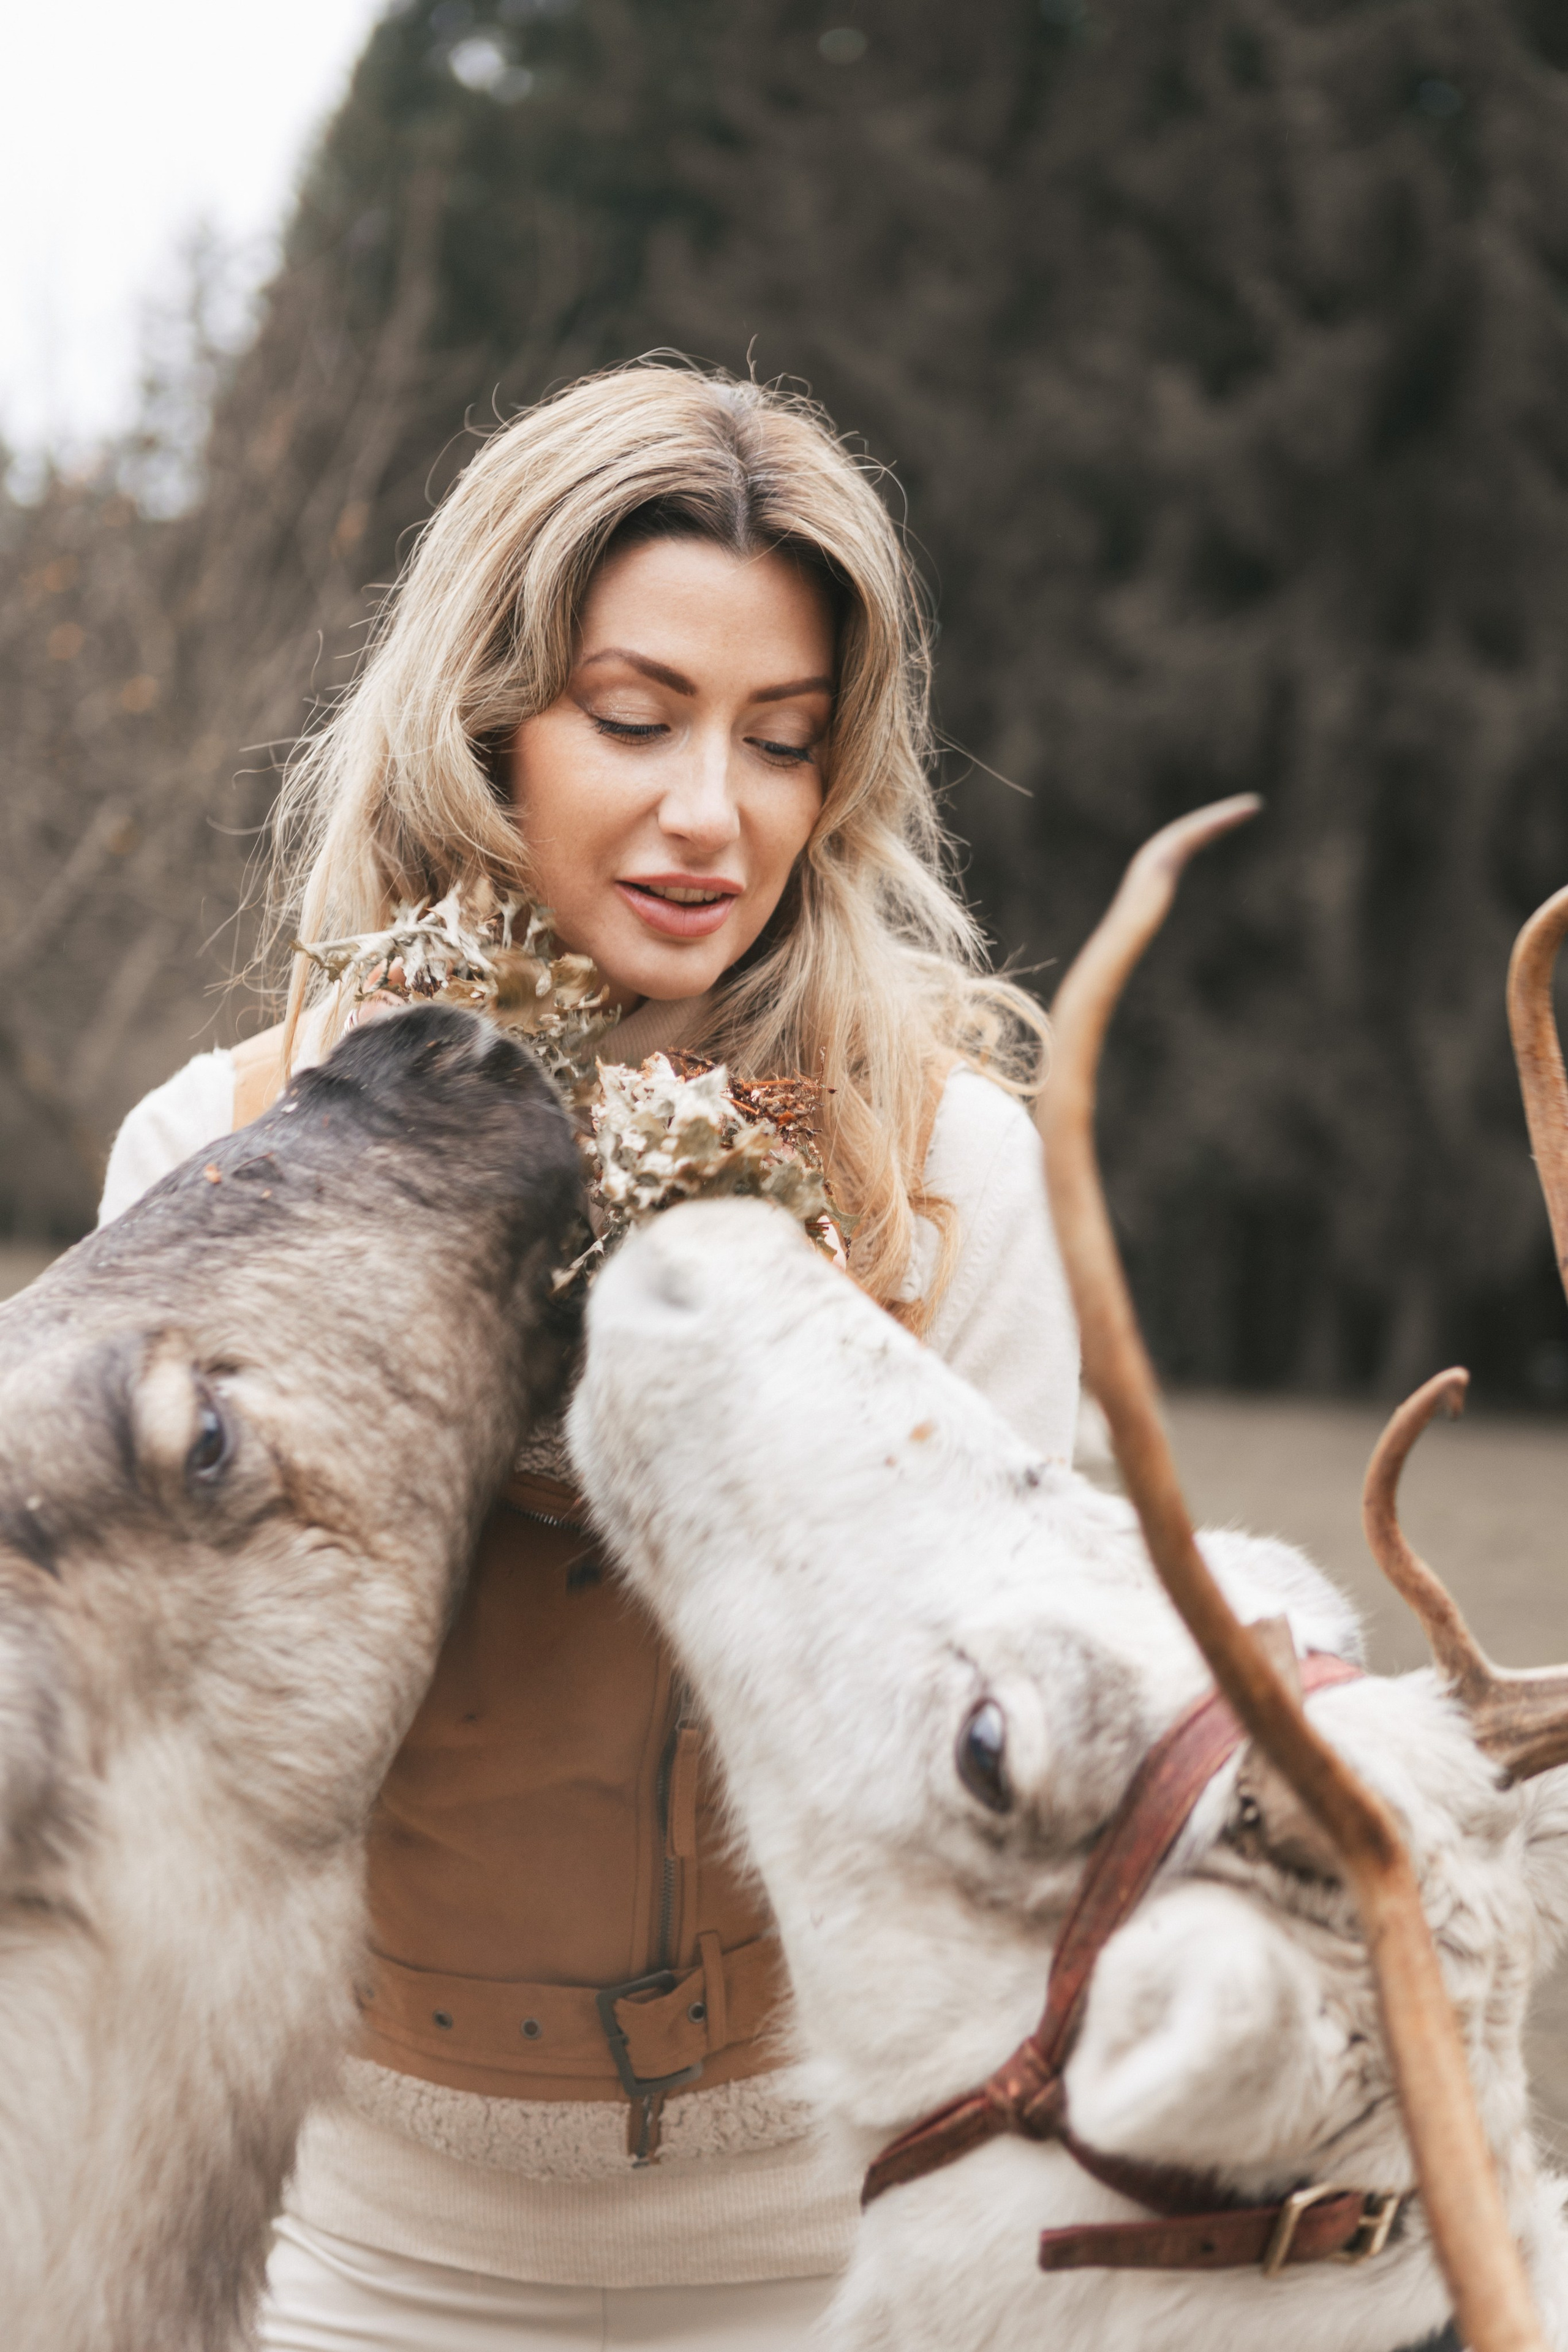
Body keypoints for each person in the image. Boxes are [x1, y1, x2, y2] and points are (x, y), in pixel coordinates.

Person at [99, 363, 1080, 2351]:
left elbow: (1026, 1812)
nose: (713, 813)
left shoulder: (954, 1182)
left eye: (782, 741)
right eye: (636, 719)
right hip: (348, 2257)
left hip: (847, 2262)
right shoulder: (211, 1164)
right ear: (487, 724)